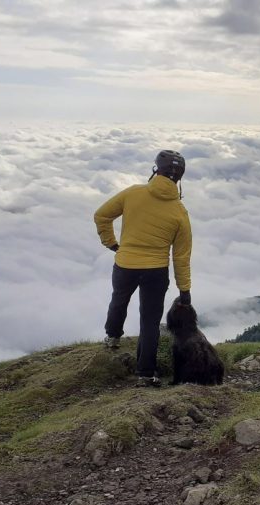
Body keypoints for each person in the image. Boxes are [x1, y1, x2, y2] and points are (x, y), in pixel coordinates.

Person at [94, 150, 192, 387]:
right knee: (149, 321)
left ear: (155, 170)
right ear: (179, 179)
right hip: (156, 271)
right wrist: (184, 290)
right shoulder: (180, 212)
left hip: (125, 263)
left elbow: (101, 216)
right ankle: (146, 373)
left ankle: (112, 337)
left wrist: (112, 244)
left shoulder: (133, 193)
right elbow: (181, 256)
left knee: (118, 300)